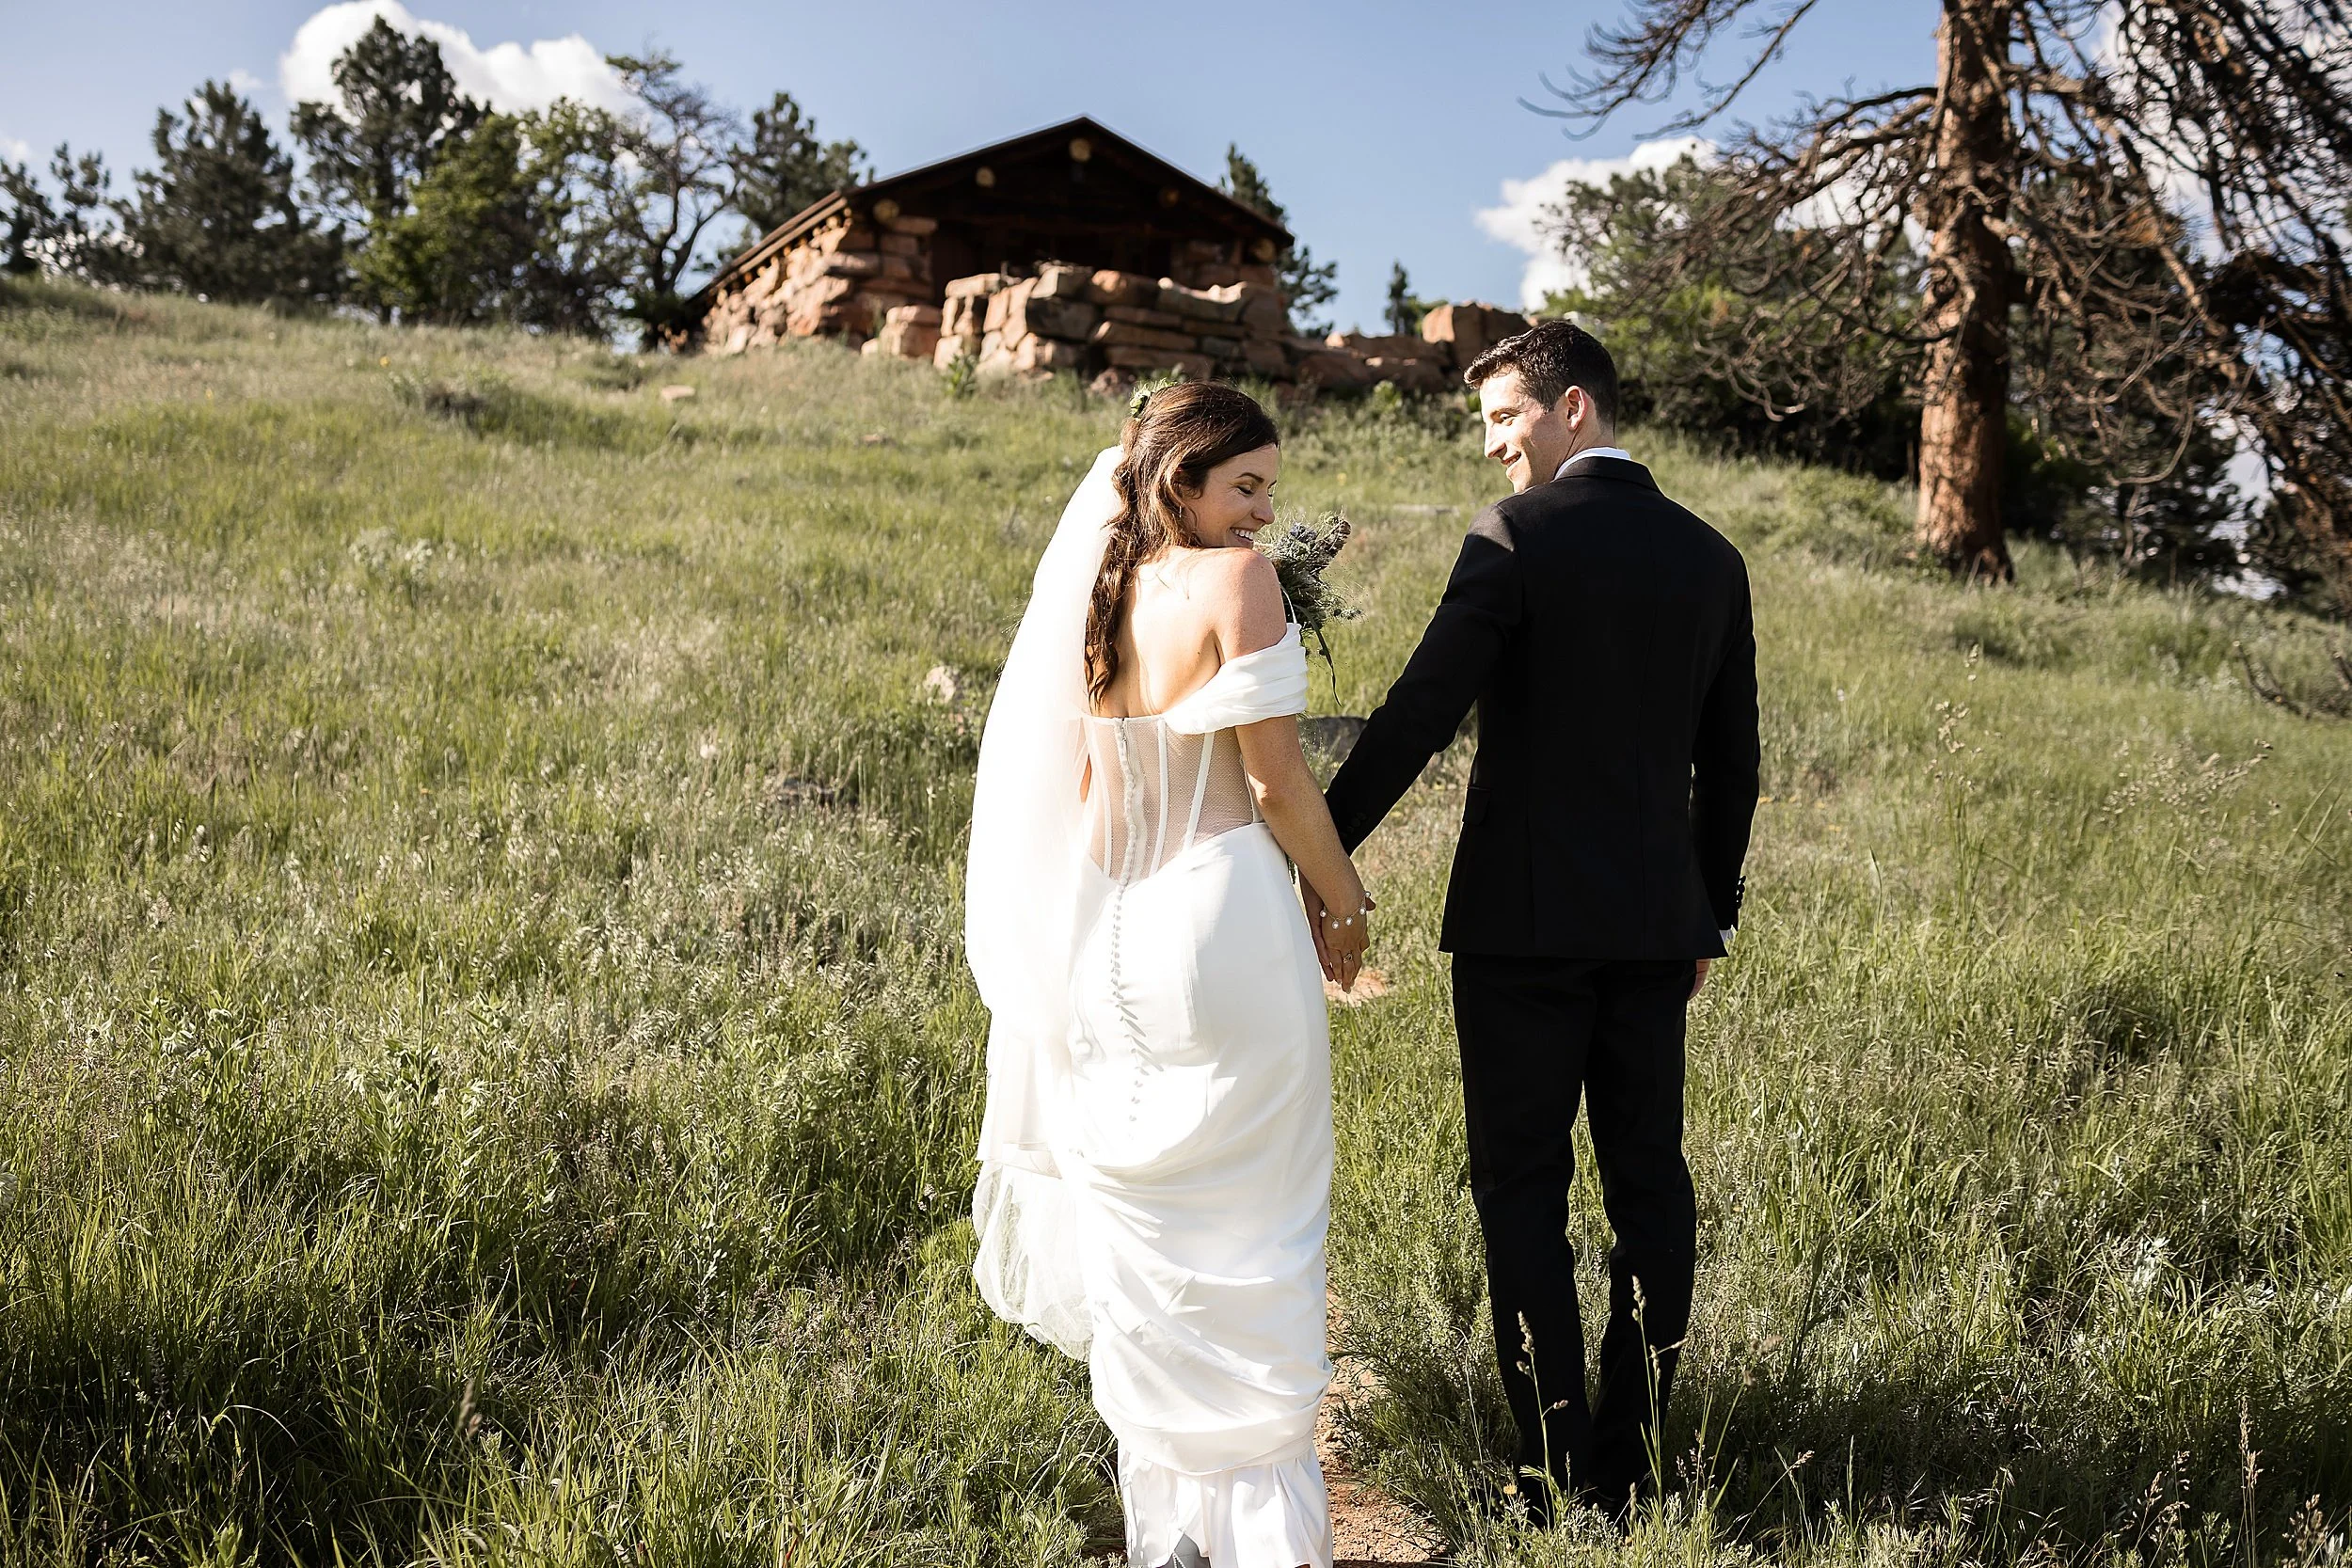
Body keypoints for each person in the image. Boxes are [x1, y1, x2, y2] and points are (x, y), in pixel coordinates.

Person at [1316, 320, 1760, 1525]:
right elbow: (1733, 772)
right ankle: (1634, 1461)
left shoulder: (1515, 534)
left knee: (1522, 1186)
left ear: (1573, 409)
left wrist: (1316, 853)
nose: (1497, 446)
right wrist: (1701, 918)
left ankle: (1554, 1469)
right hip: (1653, 932)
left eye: (1506, 416)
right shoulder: (1711, 558)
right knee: (1648, 1186)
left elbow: (1419, 710)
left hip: (1518, 930)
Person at [965, 383, 1373, 1568]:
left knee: (1147, 1222)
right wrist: (1343, 909)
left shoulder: (1102, 591)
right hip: (1222, 922)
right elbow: (1276, 785)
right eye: (1245, 487)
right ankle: (1266, 1543)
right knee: (1261, 1224)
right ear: (1179, 479)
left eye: (1267, 494)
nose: (1260, 516)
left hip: (1109, 931)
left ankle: (1175, 1535)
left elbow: (1089, 798)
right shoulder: (1234, 585)